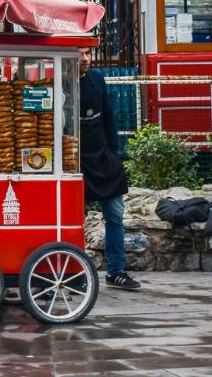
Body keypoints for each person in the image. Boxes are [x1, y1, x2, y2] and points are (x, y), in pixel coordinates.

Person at [78, 47, 140, 291]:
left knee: (115, 215)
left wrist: (114, 153)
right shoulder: (61, 80)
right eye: (80, 53)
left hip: (103, 157)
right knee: (73, 219)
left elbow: (109, 119)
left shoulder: (98, 79)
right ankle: (74, 272)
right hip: (76, 160)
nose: (84, 58)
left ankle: (116, 271)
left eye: (87, 53)